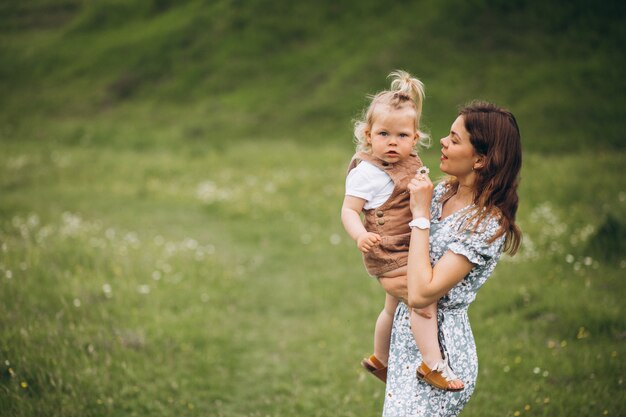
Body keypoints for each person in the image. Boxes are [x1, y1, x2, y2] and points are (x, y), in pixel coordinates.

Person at [379, 101, 522, 416]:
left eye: (455, 140)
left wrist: (420, 216)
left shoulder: (486, 223)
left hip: (442, 357)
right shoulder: (442, 192)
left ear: (480, 160)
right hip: (407, 347)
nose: (443, 141)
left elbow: (421, 293)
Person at [341, 70, 463, 390]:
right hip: (388, 251)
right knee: (422, 302)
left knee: (391, 305)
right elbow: (349, 210)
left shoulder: (410, 162)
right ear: (368, 135)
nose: (393, 143)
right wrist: (360, 235)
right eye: (383, 135)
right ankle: (434, 365)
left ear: (415, 137)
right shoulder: (365, 173)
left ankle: (380, 358)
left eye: (402, 136)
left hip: (409, 249)